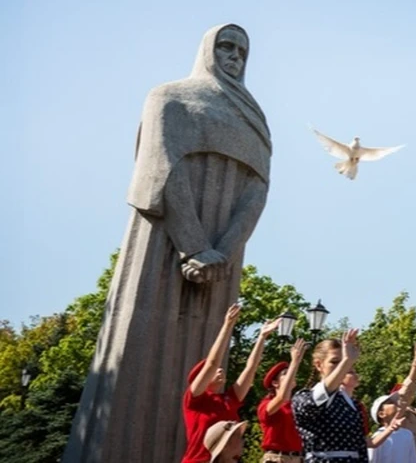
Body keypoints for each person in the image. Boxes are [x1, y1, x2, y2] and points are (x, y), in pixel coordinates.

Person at [65, 23, 272, 463]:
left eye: (241, 50)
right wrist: (195, 246)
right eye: (225, 46)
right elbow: (160, 171)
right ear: (206, 49)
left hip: (222, 257)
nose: (234, 55)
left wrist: (224, 248)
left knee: (207, 344)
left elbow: (257, 190)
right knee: (134, 368)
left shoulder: (254, 119)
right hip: (164, 245)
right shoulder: (170, 97)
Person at [183, 307, 281, 463]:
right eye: (213, 371)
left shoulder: (228, 399)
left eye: (221, 368)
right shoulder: (194, 399)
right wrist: (227, 325)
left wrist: (262, 337)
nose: (220, 370)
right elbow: (212, 363)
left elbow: (251, 368)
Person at [292, 330, 368, 462]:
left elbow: (360, 447)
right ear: (319, 365)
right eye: (334, 362)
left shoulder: (352, 403)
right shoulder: (304, 398)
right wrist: (346, 361)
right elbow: (317, 400)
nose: (341, 367)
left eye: (342, 363)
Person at [259, 338, 308, 462]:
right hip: (277, 458)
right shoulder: (266, 404)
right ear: (275, 383)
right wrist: (295, 362)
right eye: (286, 373)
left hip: (298, 458)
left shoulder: (297, 404)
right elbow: (281, 397)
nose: (292, 374)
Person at [368, 392, 416, 463]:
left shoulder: (408, 434)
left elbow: (412, 459)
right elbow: (372, 460)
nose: (396, 404)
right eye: (390, 402)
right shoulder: (377, 437)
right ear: (381, 414)